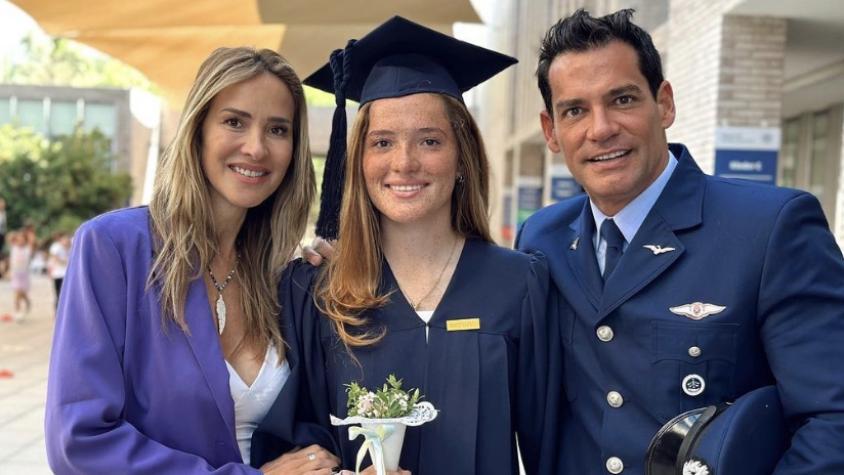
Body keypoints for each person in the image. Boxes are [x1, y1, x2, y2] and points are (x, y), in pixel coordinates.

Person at [516, 9, 844, 474]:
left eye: (623, 99)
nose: (601, 128)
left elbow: (832, 418)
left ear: (664, 103)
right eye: (575, 110)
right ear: (551, 131)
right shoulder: (541, 239)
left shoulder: (769, 229)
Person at [252, 16, 557, 475]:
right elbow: (295, 442)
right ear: (358, 162)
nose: (404, 163)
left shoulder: (520, 282)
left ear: (461, 157)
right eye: (382, 142)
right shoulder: (313, 291)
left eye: (430, 140)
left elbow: (549, 448)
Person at [45, 47, 339, 474]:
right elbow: (79, 442)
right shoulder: (114, 248)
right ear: (198, 130)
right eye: (234, 122)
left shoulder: (280, 274)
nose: (256, 148)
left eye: (278, 130)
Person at [8, 230, 32, 322]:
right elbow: (9, 237)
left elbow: (31, 241)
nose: (20, 241)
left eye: (22, 240)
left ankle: (27, 301)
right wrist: (16, 234)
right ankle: (17, 312)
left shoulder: (27, 249)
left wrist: (29, 234)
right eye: (18, 240)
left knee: (23, 293)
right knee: (17, 294)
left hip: (24, 275)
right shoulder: (13, 248)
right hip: (16, 274)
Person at [48, 231, 71, 310]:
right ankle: (57, 314)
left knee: (68, 295)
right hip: (58, 275)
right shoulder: (56, 247)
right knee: (59, 295)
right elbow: (55, 259)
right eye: (64, 239)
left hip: (68, 275)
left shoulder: (72, 246)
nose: (66, 240)